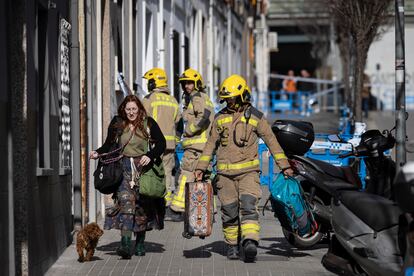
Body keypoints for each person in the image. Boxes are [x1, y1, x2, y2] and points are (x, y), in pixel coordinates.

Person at [194, 75, 294, 262]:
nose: (229, 102)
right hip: (225, 176)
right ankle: (232, 246)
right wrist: (201, 167)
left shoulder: (256, 117)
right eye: (226, 99)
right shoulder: (220, 118)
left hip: (249, 174)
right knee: (229, 211)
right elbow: (210, 145)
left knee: (248, 207)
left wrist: (285, 166)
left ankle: (250, 242)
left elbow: (272, 142)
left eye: (232, 98)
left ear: (242, 96)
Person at [89, 94, 166, 259]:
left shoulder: (148, 123)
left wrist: (150, 155)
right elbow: (108, 145)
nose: (131, 113)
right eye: (128, 109)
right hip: (123, 168)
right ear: (123, 109)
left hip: (144, 171)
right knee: (126, 203)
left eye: (134, 109)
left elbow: (162, 143)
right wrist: (97, 152)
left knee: (142, 207)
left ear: (139, 110)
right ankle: (125, 244)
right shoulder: (118, 124)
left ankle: (139, 243)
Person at [167, 68, 215, 221]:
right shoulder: (203, 97)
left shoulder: (197, 97)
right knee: (205, 179)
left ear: (197, 83)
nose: (187, 86)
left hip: (195, 148)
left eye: (190, 83)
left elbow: (203, 117)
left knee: (185, 176)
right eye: (184, 83)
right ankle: (209, 211)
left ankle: (177, 209)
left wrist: (189, 130)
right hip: (205, 148)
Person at [142, 68, 181, 207]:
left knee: (153, 172)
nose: (148, 84)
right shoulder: (173, 100)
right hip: (170, 144)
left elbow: (143, 119)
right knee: (167, 171)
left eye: (149, 82)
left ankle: (154, 201)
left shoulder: (149, 99)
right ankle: (167, 201)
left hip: (154, 143)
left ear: (154, 83)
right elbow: (177, 121)